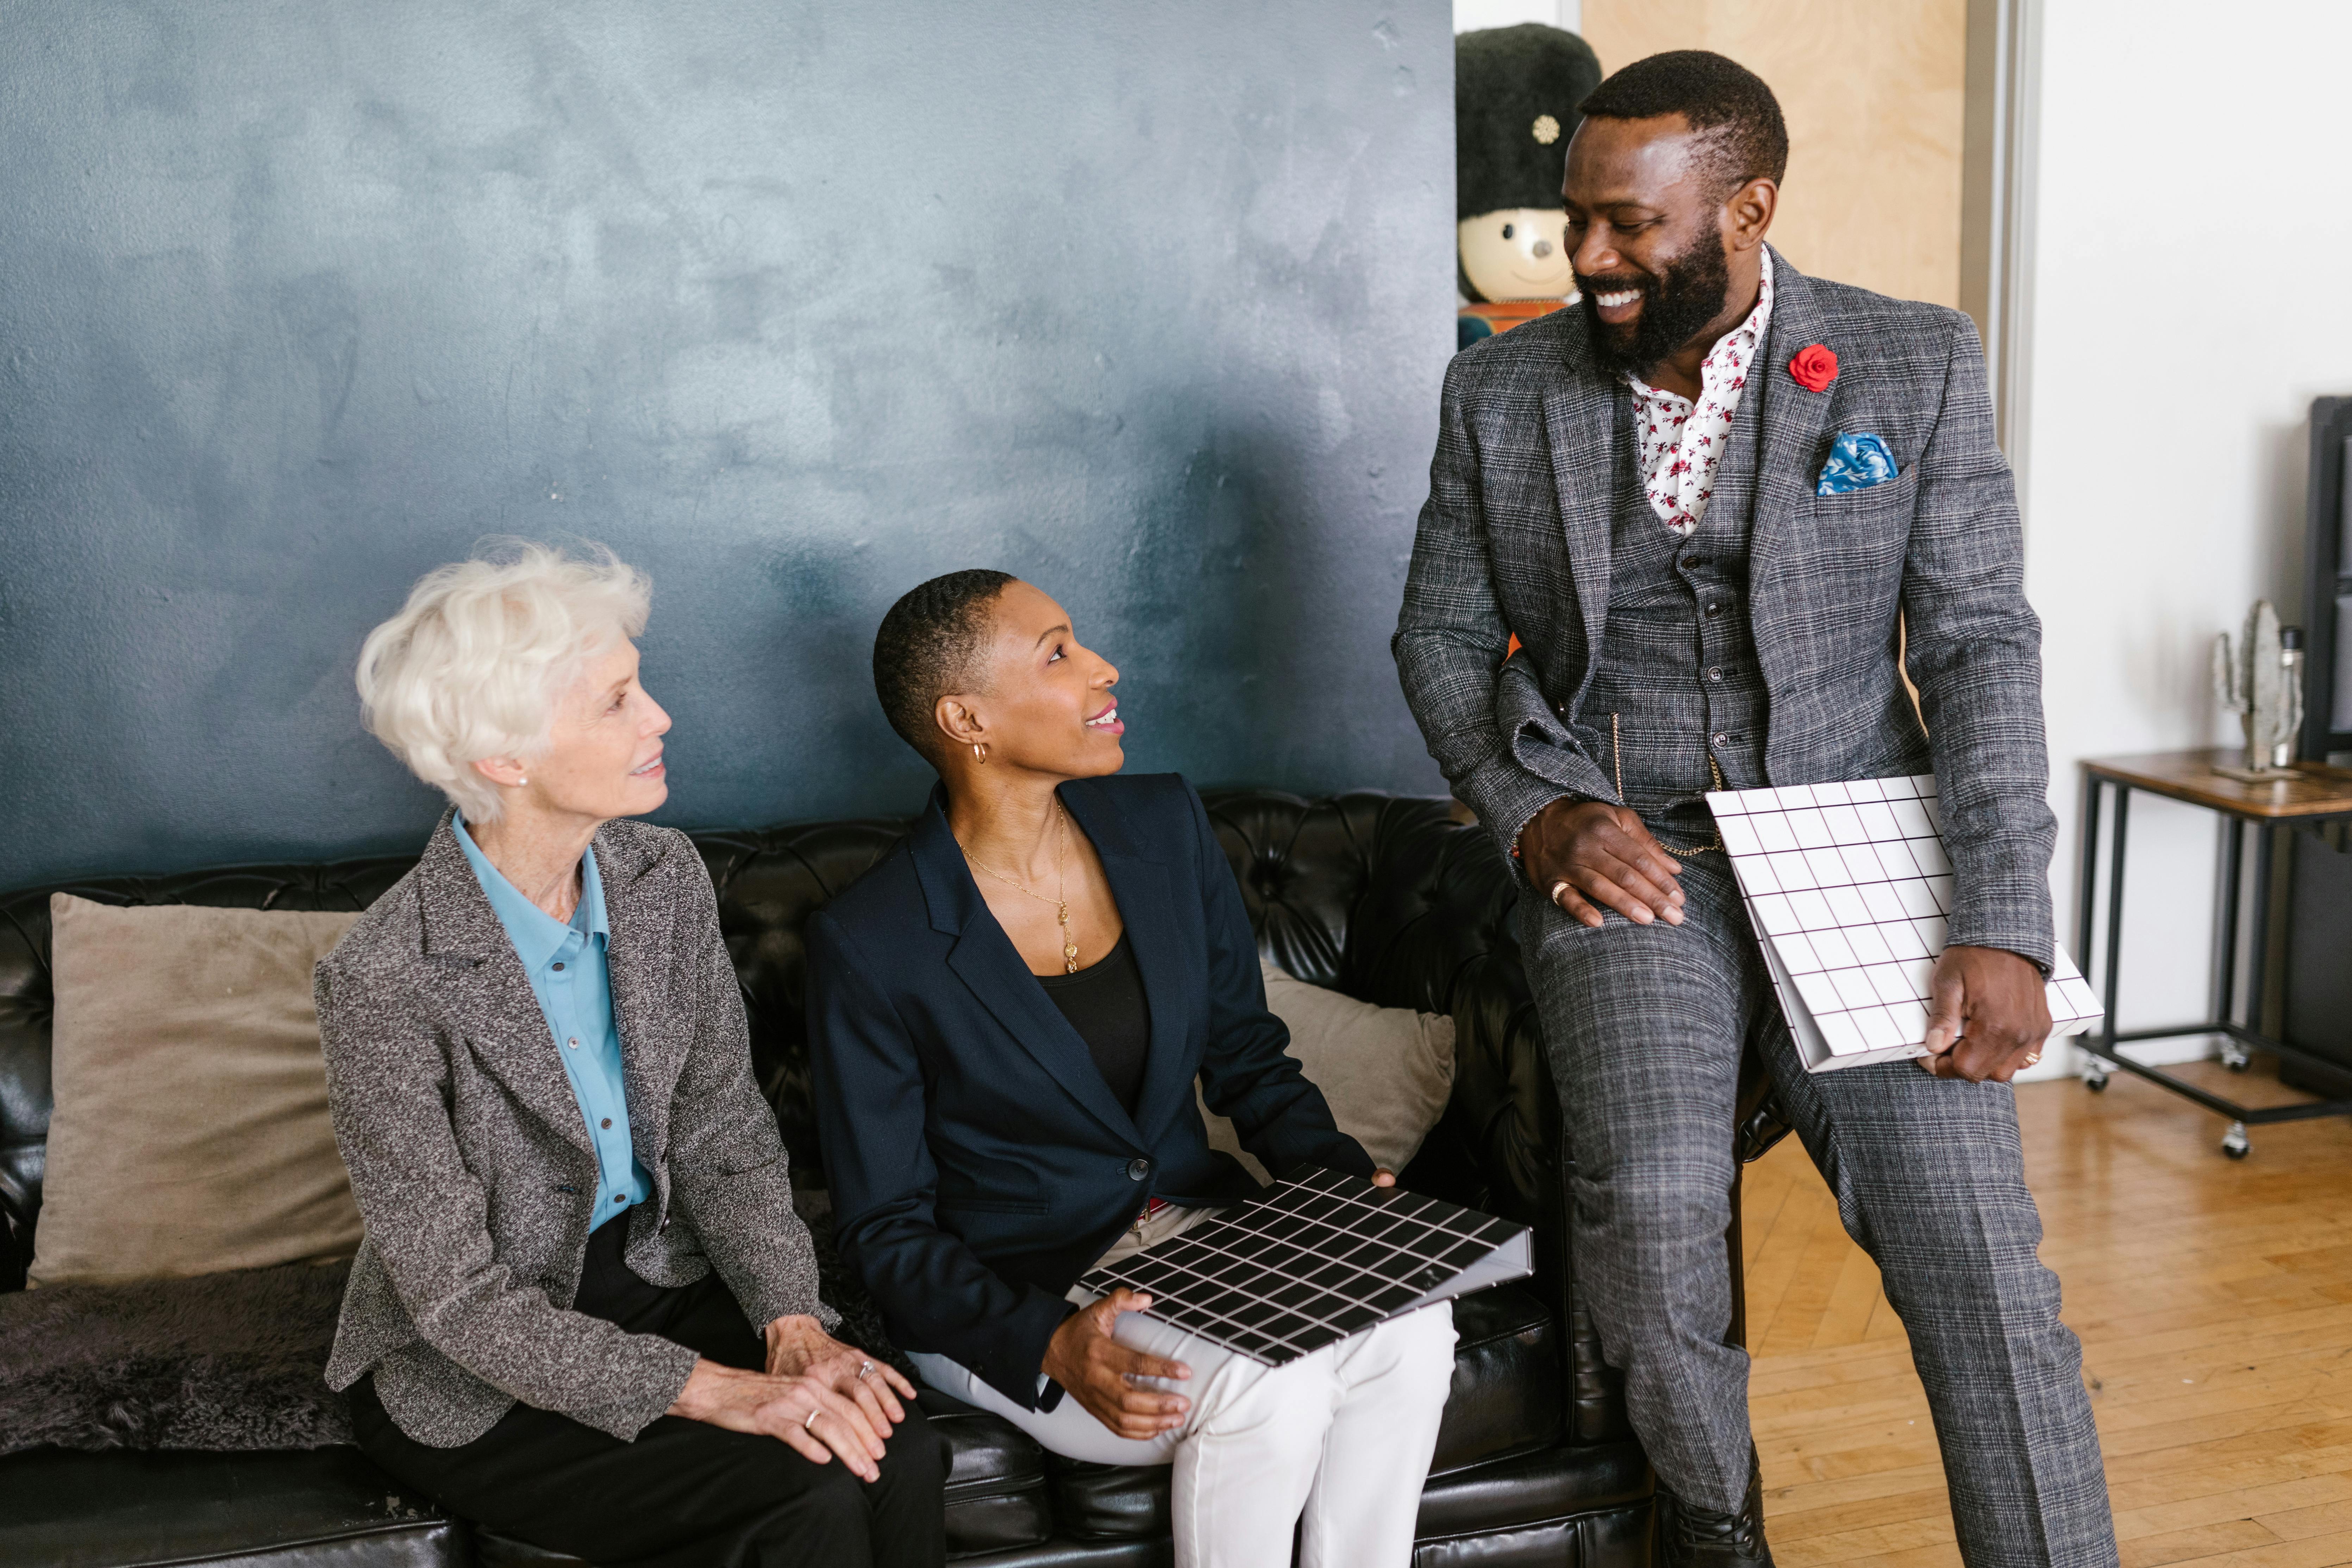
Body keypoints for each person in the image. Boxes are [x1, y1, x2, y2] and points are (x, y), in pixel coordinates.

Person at [1392, 51, 2116, 1568]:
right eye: (1572, 219)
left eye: (1625, 227)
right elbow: (1443, 639)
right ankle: (1719, 1537)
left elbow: (1981, 650)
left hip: (1861, 843)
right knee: (1648, 1227)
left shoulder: (1907, 361)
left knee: (1979, 1267)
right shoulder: (1498, 386)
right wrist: (1533, 812)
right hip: (1624, 845)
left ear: (1746, 210)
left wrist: (2003, 923)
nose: (1585, 258)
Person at [805, 570, 1458, 1568]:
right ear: (964, 717)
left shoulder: (1161, 825)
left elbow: (1247, 1057)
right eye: (1058, 652)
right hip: (1016, 1298)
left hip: (1200, 1238)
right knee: (1264, 1387)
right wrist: (1047, 1342)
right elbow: (887, 1231)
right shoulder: (872, 940)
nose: (1103, 668)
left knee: (1413, 1324)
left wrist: (1338, 1191)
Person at [316, 543, 944, 1568]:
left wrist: (791, 1320)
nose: (659, 717)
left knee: (896, 1449)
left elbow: (721, 1135)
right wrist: (719, 1390)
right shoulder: (384, 979)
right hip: (481, 1361)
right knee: (807, 1496)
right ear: (504, 759)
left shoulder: (663, 875)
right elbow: (459, 1301)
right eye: (617, 701)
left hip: (653, 1273)